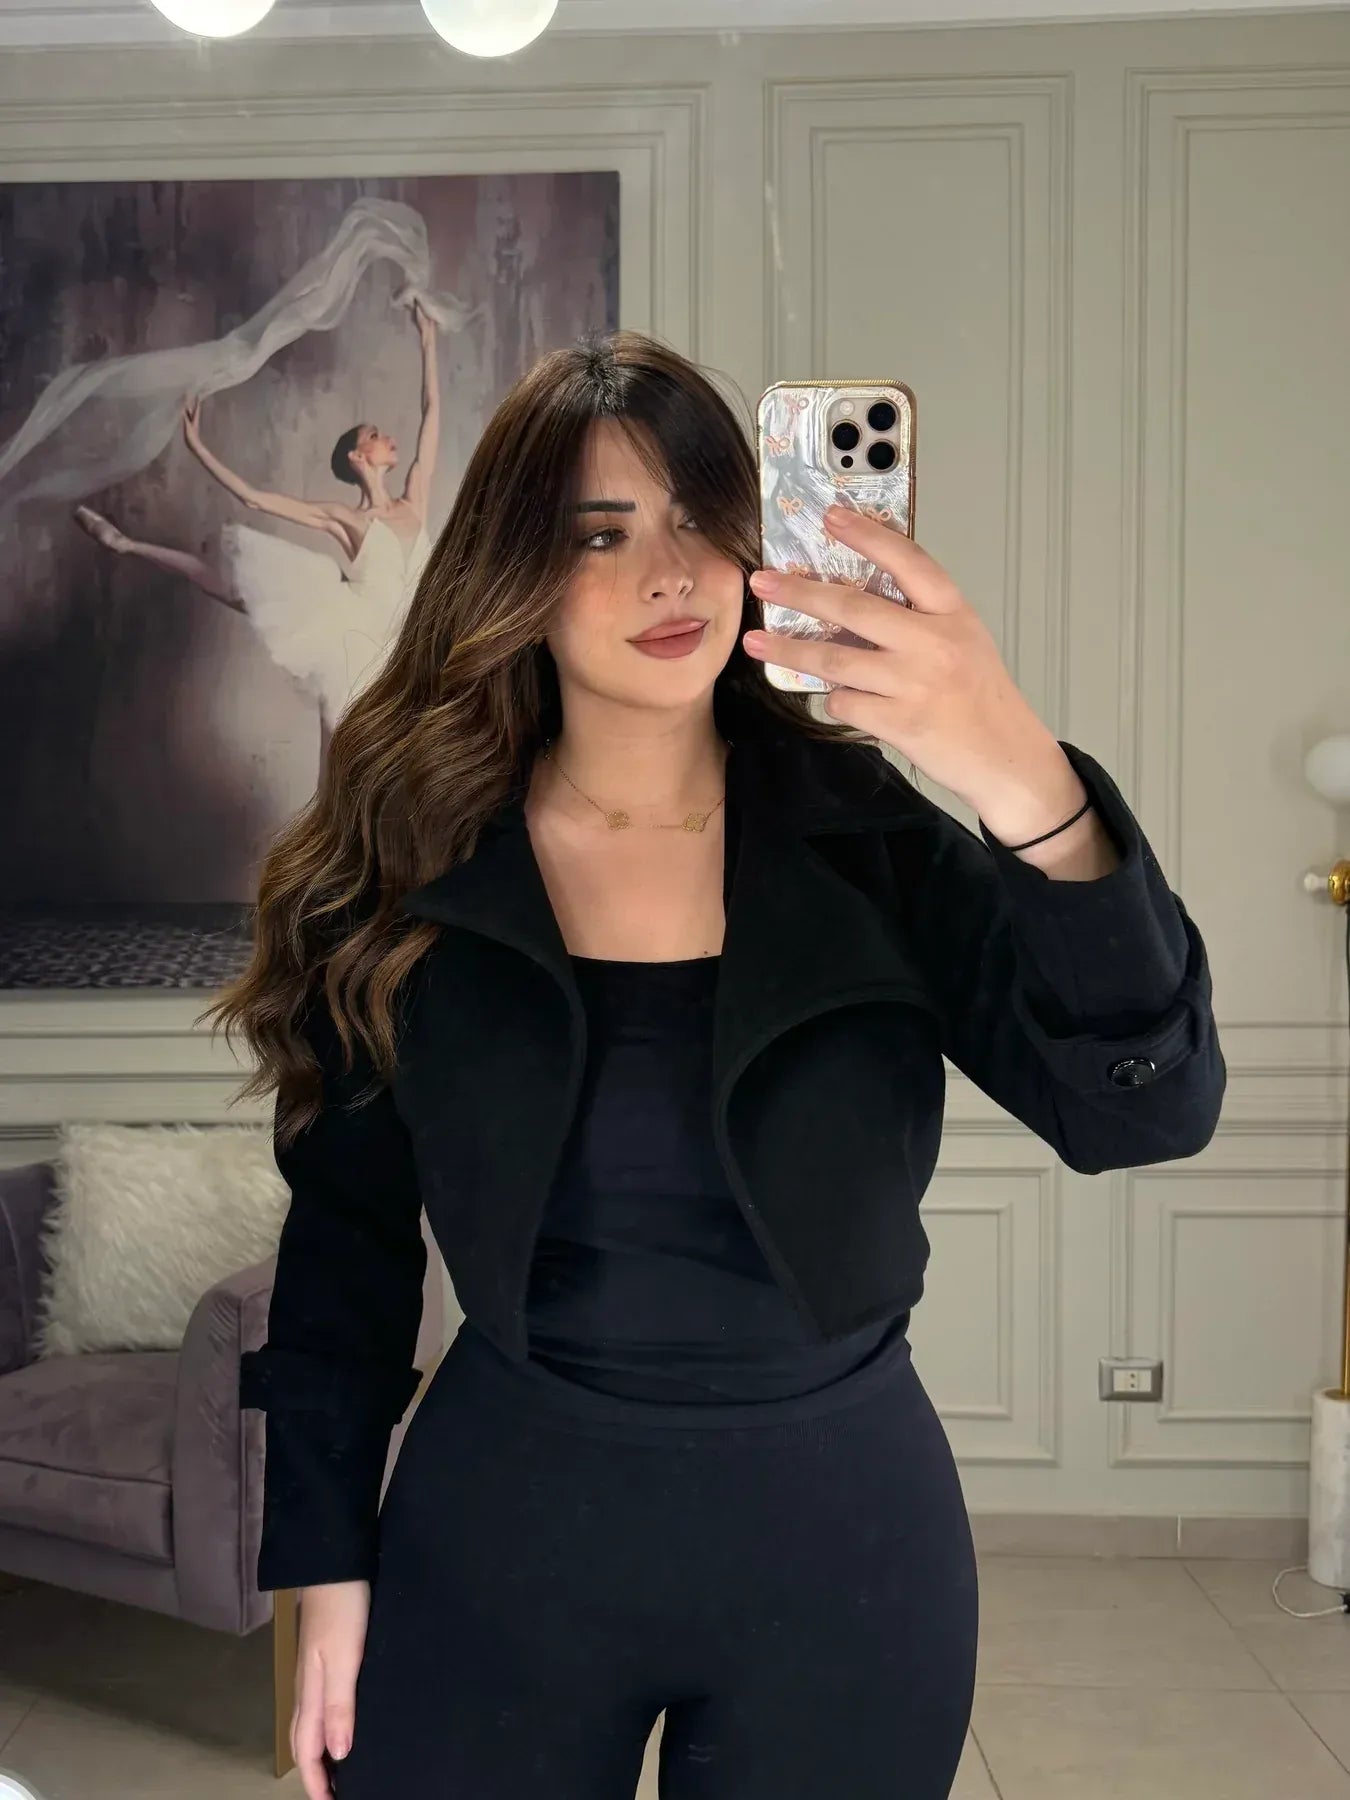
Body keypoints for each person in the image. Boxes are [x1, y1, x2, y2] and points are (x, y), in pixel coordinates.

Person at [215, 331, 1225, 1800]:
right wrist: (324, 1562)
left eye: (700, 520)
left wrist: (1014, 763)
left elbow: (1146, 1112)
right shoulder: (404, 878)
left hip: (842, 1550)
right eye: (600, 534)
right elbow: (345, 1249)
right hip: (500, 1537)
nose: (670, 574)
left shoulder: (874, 847)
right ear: (512, 573)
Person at [72, 299, 440, 739]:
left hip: (415, 644)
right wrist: (198, 448)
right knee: (232, 588)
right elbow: (256, 500)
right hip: (360, 640)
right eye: (376, 436)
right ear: (357, 457)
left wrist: (427, 340)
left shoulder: (414, 499)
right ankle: (126, 544)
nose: (390, 438)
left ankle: (128, 545)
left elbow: (431, 410)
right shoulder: (347, 519)